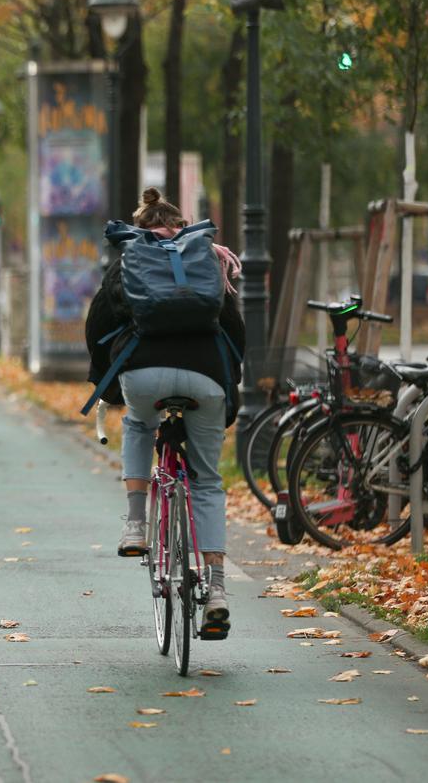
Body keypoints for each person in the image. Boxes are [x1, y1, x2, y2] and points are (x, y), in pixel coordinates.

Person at [114, 188, 245, 637]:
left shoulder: (131, 257)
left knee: (136, 423)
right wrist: (231, 390)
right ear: (181, 225)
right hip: (205, 377)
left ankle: (135, 525)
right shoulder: (206, 259)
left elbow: (98, 325)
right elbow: (235, 330)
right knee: (206, 480)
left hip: (144, 375)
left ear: (141, 225)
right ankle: (218, 588)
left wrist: (108, 382)